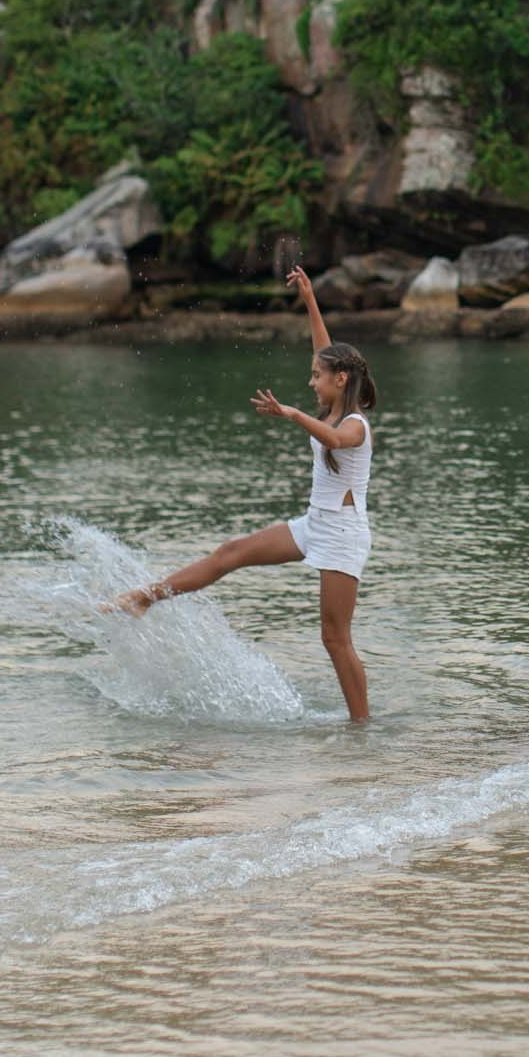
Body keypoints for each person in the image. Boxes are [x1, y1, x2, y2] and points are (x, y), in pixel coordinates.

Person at [108, 265, 376, 720]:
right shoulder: (333, 400)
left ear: (341, 380)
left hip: (344, 536)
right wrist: (309, 299)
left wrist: (291, 414)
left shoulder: (354, 425)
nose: (312, 381)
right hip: (315, 523)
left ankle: (361, 728)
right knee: (230, 552)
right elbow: (324, 349)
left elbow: (335, 442)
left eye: (318, 376)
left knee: (334, 638)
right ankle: (142, 599)